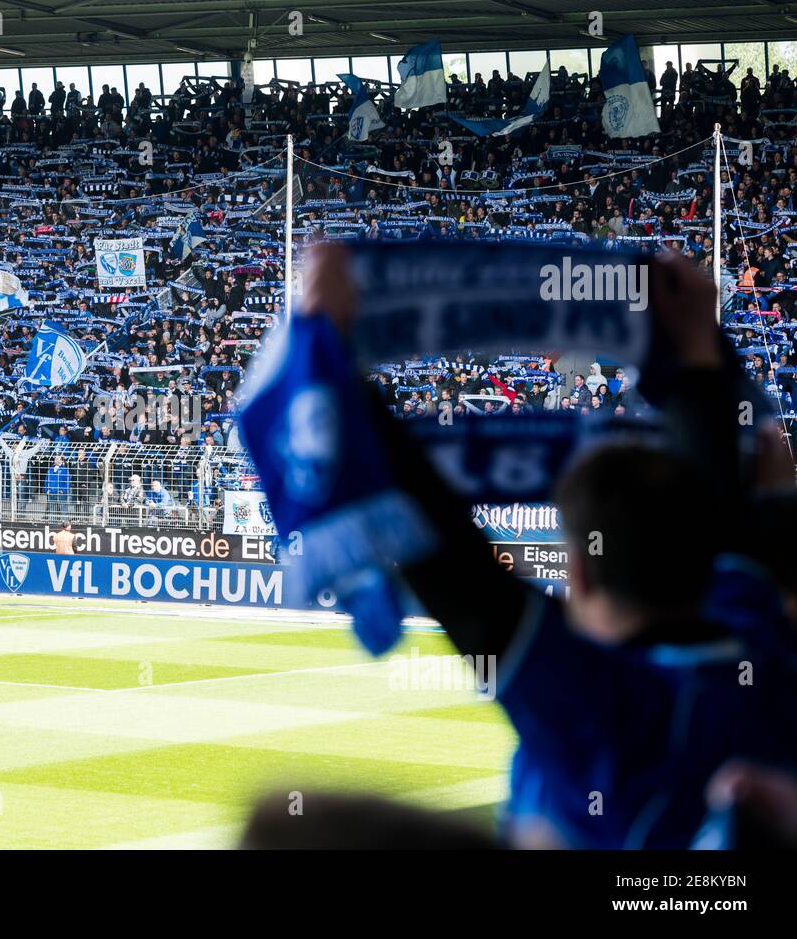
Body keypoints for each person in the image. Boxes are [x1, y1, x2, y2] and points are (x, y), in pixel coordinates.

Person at [297, 243, 797, 849]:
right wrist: (697, 352)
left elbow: (457, 573)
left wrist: (325, 355)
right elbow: (454, 564)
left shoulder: (600, 707)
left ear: (579, 575)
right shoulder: (760, 640)